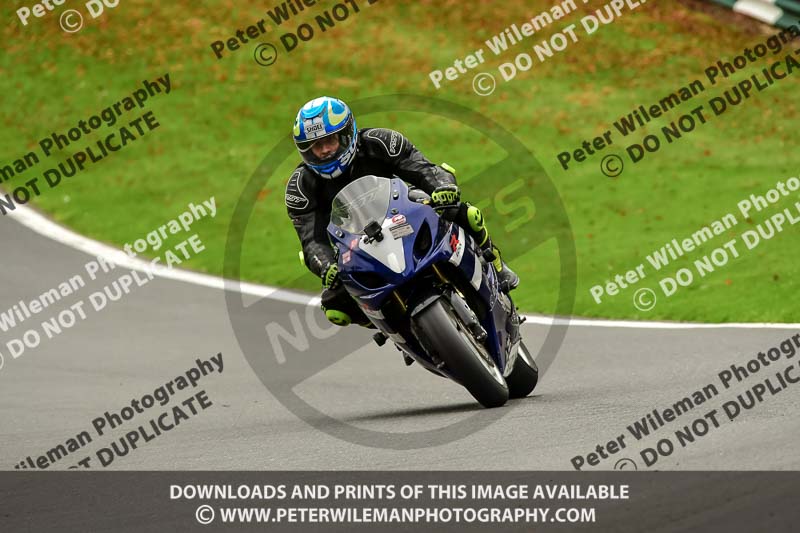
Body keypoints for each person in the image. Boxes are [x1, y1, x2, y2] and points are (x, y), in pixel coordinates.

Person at [285, 96, 519, 326]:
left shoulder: (380, 142)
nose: (325, 150)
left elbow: (424, 169)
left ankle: (496, 265)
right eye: (316, 146)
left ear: (346, 134)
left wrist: (442, 188)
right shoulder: (300, 187)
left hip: (404, 211)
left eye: (330, 140)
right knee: (335, 308)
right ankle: (393, 329)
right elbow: (311, 240)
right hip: (355, 245)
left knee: (466, 214)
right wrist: (326, 266)